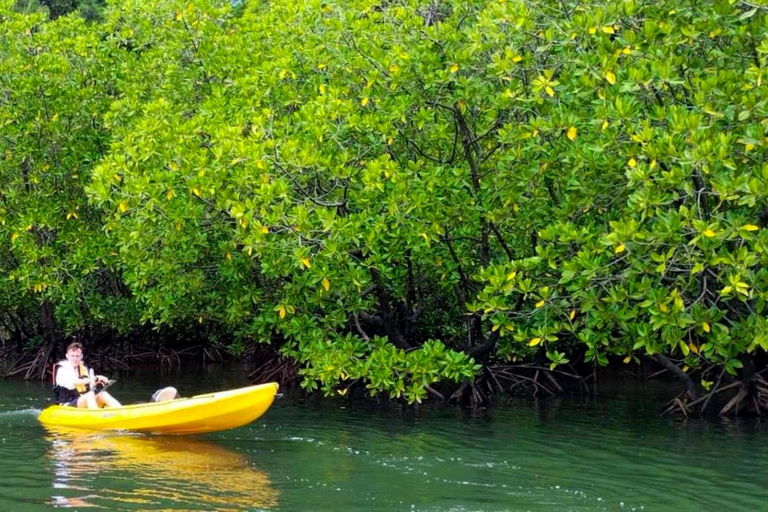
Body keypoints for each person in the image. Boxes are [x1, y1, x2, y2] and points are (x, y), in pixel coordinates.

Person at [52, 341, 121, 409]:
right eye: (72, 356)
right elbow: (74, 382)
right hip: (67, 405)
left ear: (81, 356)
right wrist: (92, 379)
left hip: (82, 401)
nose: (75, 359)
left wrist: (98, 380)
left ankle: (121, 411)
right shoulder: (62, 369)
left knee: (103, 394)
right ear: (67, 356)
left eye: (77, 356)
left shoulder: (83, 369)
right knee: (90, 395)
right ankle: (96, 416)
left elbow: (89, 385)